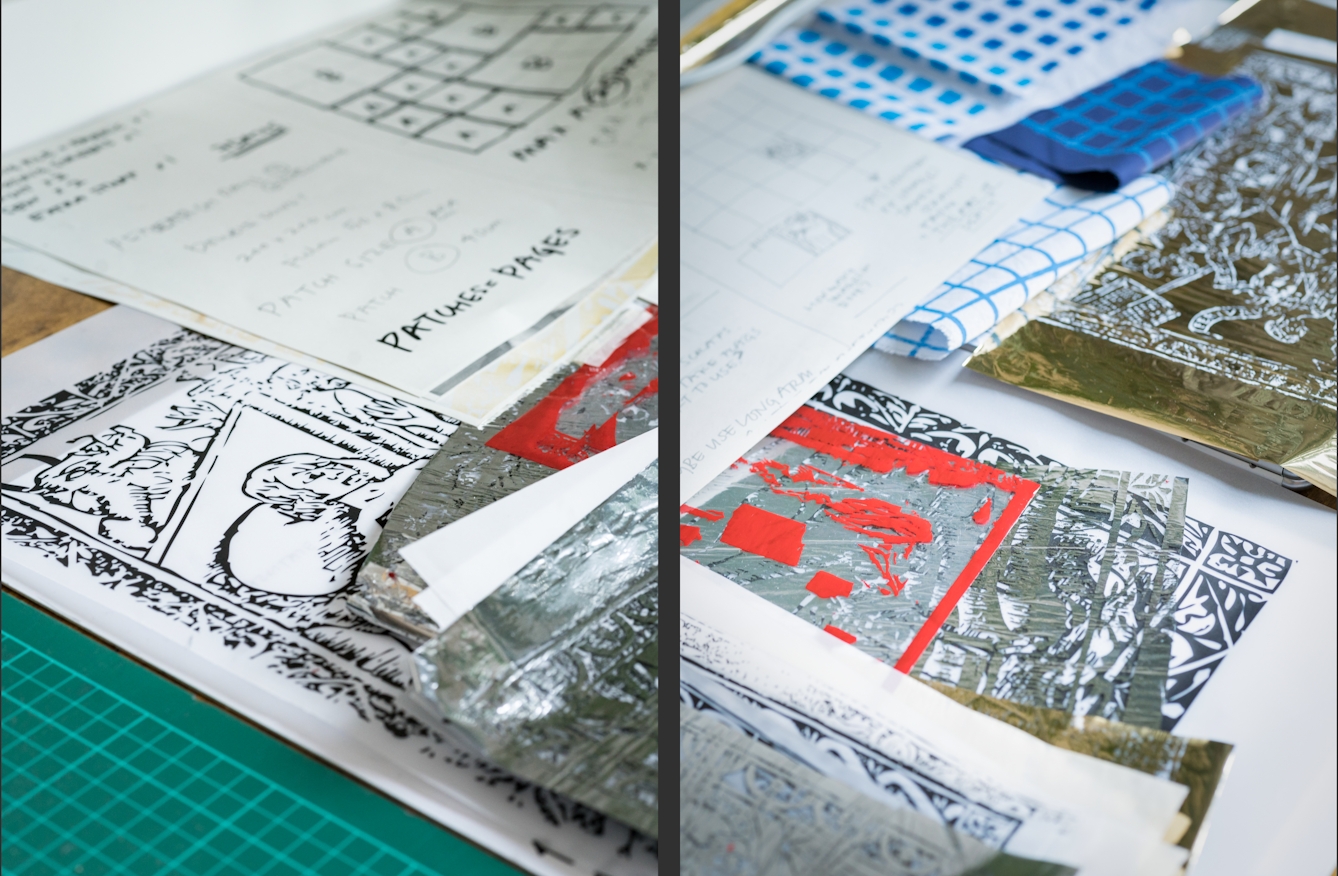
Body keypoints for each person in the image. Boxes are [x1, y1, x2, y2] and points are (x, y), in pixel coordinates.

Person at [216, 453, 391, 596]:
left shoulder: (348, 497)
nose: (333, 472)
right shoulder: (346, 504)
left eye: (330, 465)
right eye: (313, 476)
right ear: (302, 494)